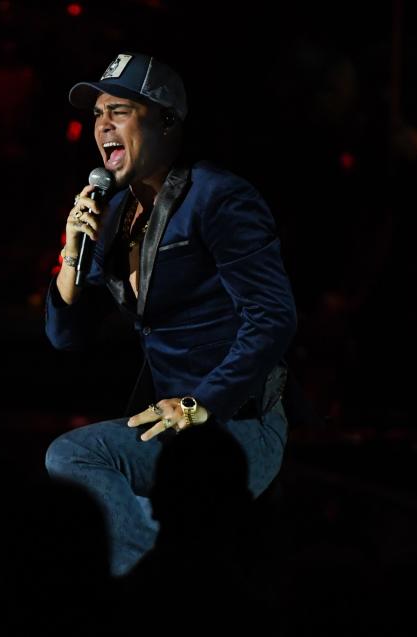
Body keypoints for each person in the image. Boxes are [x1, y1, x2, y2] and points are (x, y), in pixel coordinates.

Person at [44, 52, 297, 576]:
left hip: (234, 425)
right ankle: (181, 582)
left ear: (165, 120)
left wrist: (199, 404)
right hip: (171, 434)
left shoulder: (219, 198)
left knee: (73, 456)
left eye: (120, 110)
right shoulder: (113, 215)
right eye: (96, 114)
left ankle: (158, 583)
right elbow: (67, 337)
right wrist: (72, 253)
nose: (103, 125)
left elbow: (272, 318)